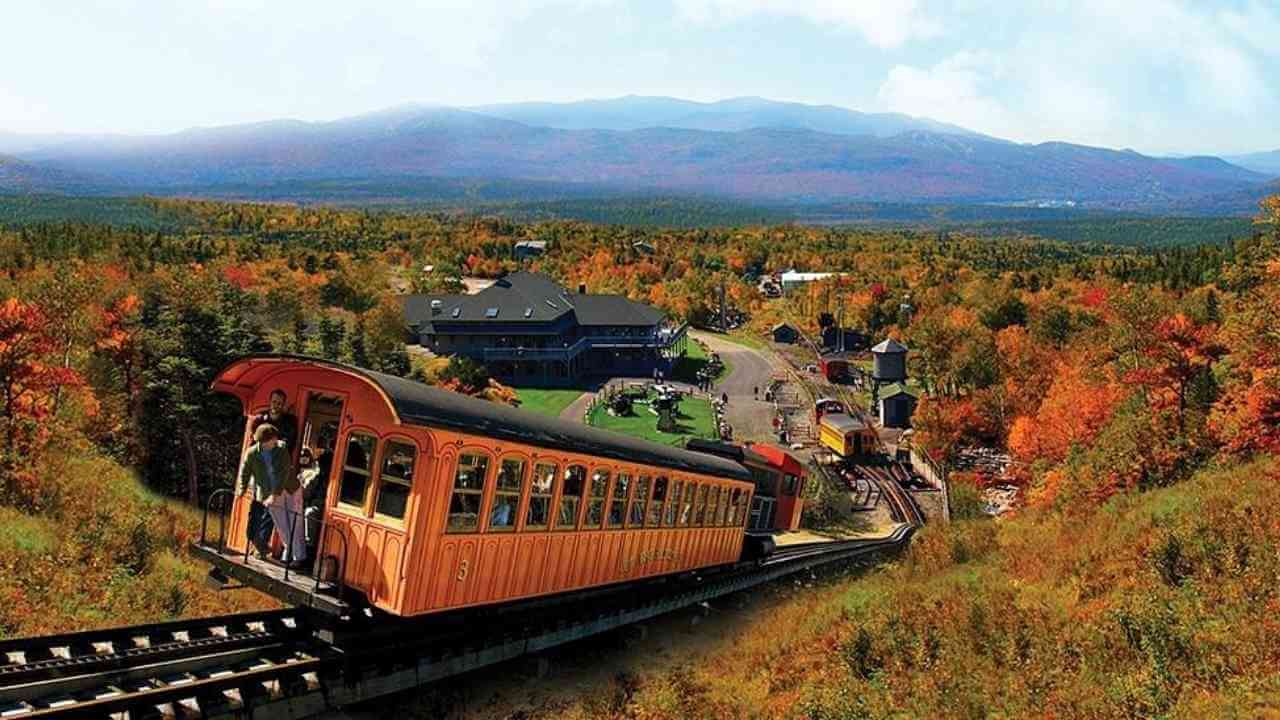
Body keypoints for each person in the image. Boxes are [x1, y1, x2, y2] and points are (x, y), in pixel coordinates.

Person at [239, 424, 306, 567]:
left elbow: (284, 473)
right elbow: (245, 472)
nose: (276, 442)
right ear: (264, 441)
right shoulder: (252, 453)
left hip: (290, 489)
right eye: (273, 440)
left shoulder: (281, 449)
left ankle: (298, 557)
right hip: (269, 493)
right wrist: (241, 489)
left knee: (295, 521)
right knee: (282, 525)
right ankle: (289, 552)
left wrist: (275, 495)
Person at [250, 389, 299, 460]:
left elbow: (289, 443)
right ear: (270, 401)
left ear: (283, 405)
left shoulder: (290, 421)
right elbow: (254, 440)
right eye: (274, 402)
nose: (276, 405)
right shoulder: (260, 419)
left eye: (279, 403)